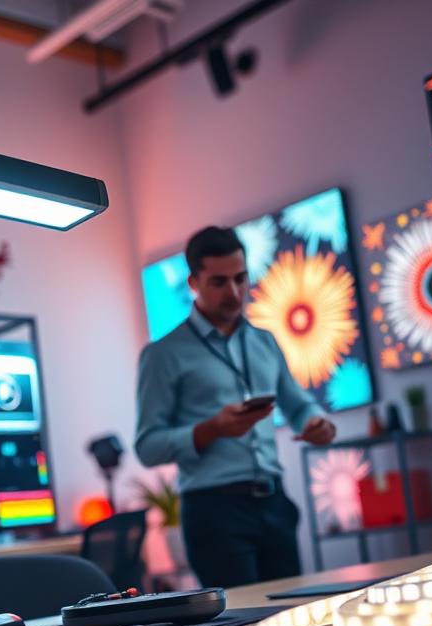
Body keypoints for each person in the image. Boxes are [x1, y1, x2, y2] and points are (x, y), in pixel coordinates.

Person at [134, 225, 336, 588]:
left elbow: (298, 405)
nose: (234, 292)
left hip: (275, 504)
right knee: (240, 621)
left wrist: (317, 422)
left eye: (241, 278)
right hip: (214, 513)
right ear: (193, 283)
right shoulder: (163, 354)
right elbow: (147, 447)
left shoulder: (265, 342)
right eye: (219, 282)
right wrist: (212, 429)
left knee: (292, 614)